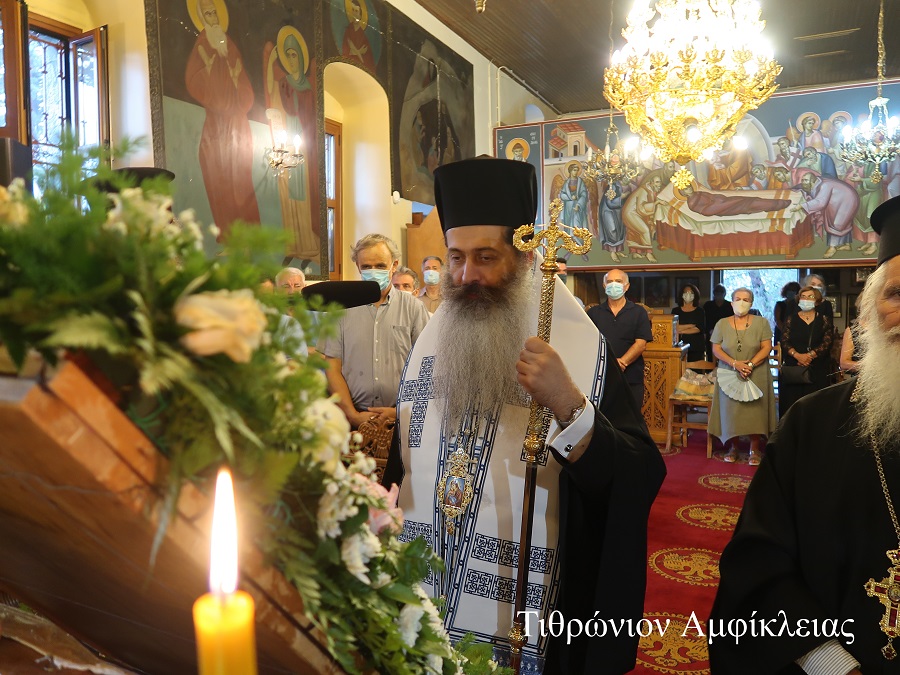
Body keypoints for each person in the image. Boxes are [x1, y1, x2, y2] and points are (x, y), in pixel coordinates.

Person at [384, 157, 665, 674]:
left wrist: (569, 406)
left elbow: (640, 476)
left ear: (524, 254)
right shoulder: (432, 340)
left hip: (533, 616)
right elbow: (401, 462)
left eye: (485, 256)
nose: (467, 276)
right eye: (455, 258)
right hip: (425, 592)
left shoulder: (578, 341)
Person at [708, 194, 900, 674]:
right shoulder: (811, 427)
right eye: (897, 294)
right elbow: (758, 566)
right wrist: (832, 663)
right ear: (872, 311)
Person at [318, 234, 429, 428]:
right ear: (358, 267)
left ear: (393, 265)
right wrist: (352, 415)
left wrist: (400, 412)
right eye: (367, 267)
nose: (373, 271)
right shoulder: (340, 308)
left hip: (401, 418)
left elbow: (426, 367)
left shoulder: (413, 308)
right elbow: (332, 367)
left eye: (380, 265)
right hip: (353, 417)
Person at [185, 0, 260, 238]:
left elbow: (245, 88)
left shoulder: (230, 46)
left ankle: (247, 233)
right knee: (214, 170)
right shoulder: (201, 45)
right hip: (216, 123)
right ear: (202, 18)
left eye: (213, 12)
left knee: (241, 177)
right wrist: (207, 69)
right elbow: (193, 80)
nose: (212, 17)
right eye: (207, 14)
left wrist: (237, 79)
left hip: (238, 123)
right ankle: (226, 234)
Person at [708, 287, 777, 465]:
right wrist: (735, 363)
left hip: (757, 372)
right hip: (729, 372)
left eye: (746, 299)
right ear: (731, 303)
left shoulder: (761, 322)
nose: (741, 303)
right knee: (732, 411)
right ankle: (733, 447)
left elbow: (766, 347)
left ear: (751, 303)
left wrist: (750, 364)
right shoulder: (721, 323)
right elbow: (716, 349)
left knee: (755, 411)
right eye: (738, 299)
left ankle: (754, 448)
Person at [586, 269, 653, 408]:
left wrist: (621, 362)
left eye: (618, 281)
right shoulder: (594, 313)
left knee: (631, 419)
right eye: (610, 282)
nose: (613, 285)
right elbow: (588, 343)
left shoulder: (638, 312)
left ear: (626, 286)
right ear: (604, 286)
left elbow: (641, 344)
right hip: (601, 377)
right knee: (603, 419)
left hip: (631, 377)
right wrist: (609, 364)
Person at [779, 285, 834, 417]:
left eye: (810, 296)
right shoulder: (790, 319)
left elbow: (827, 342)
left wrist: (809, 356)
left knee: (816, 407)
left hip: (817, 368)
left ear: (817, 300)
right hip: (794, 369)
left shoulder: (824, 319)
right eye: (803, 296)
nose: (806, 299)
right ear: (798, 300)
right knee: (792, 407)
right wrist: (797, 356)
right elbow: (785, 341)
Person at [671, 283, 706, 361]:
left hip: (696, 347)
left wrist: (681, 330)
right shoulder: (675, 310)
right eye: (686, 292)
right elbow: (674, 327)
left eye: (691, 293)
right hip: (679, 347)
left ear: (695, 295)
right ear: (681, 295)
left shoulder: (700, 311)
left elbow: (699, 329)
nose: (688, 295)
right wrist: (691, 325)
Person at [703, 283, 734, 363]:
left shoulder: (730, 306)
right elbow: (705, 320)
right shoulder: (708, 305)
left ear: (724, 294)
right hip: (711, 333)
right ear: (714, 294)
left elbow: (732, 320)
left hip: (726, 335)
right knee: (711, 355)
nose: (719, 295)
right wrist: (709, 331)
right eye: (717, 293)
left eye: (721, 293)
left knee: (726, 355)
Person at [773, 280, 800, 345]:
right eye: (789, 290)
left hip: (797, 334)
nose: (791, 292)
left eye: (794, 290)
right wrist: (785, 331)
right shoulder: (780, 304)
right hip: (781, 332)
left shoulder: (800, 305)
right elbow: (777, 319)